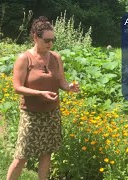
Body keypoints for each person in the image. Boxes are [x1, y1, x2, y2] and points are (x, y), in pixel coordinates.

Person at [6, 16, 80, 180]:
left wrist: (69, 87)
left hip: (52, 113)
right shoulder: (24, 58)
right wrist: (40, 93)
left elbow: (61, 81)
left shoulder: (56, 57)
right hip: (31, 115)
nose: (50, 44)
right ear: (35, 37)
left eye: (52, 40)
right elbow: (17, 87)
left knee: (46, 154)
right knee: (21, 157)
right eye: (46, 40)